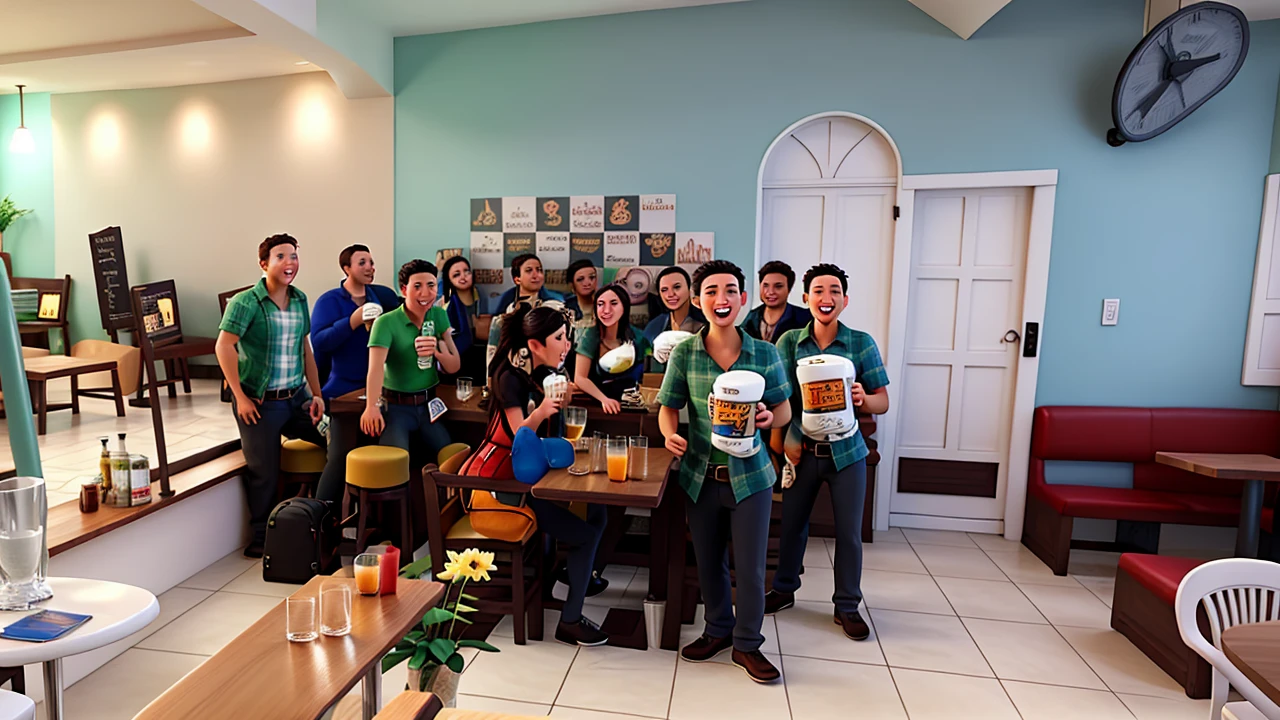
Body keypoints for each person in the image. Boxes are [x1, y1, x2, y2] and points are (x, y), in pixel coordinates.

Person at [658, 259, 792, 683]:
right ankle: (717, 630)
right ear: (699, 300)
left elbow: (785, 407)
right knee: (709, 561)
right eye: (712, 291)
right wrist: (669, 435)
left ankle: (748, 644)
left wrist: (772, 419)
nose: (722, 298)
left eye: (731, 290)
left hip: (751, 477)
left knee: (750, 568)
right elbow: (669, 407)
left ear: (742, 299)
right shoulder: (685, 352)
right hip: (700, 475)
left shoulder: (764, 352)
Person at [463, 305, 611, 647]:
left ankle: (579, 577)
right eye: (559, 338)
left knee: (598, 510)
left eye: (567, 337)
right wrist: (544, 408)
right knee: (586, 534)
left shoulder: (535, 373)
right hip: (501, 486)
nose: (567, 344)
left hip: (526, 478)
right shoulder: (508, 377)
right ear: (535, 345)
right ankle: (570, 620)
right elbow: (520, 440)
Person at [766, 263, 889, 641]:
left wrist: (863, 398)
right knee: (794, 525)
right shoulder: (787, 343)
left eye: (835, 291)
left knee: (848, 532)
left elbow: (882, 401)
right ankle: (785, 589)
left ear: (845, 300)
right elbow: (779, 398)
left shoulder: (861, 342)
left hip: (848, 453)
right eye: (819, 291)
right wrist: (782, 444)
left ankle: (847, 605)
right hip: (802, 449)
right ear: (805, 298)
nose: (827, 298)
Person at [216, 234, 327, 558]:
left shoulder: (299, 299)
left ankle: (320, 517)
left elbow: (305, 349)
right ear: (264, 264)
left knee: (337, 437)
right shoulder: (246, 302)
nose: (290, 262)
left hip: (297, 399)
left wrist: (316, 395)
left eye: (293, 256)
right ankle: (263, 538)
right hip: (260, 403)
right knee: (264, 472)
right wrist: (241, 397)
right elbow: (223, 346)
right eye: (281, 256)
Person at [310, 244, 402, 503]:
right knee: (341, 454)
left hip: (380, 389)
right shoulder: (329, 301)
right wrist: (352, 321)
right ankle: (321, 513)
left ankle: (374, 515)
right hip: (342, 391)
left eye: (372, 262)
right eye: (362, 262)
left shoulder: (383, 298)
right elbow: (320, 342)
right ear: (346, 268)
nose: (370, 267)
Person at [360, 260, 460, 469]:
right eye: (417, 286)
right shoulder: (386, 322)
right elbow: (375, 368)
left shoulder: (438, 314)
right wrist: (371, 406)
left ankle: (444, 502)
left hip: (429, 405)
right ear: (404, 289)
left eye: (431, 285)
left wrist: (436, 352)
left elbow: (454, 366)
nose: (425, 293)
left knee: (452, 460)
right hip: (396, 407)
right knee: (394, 466)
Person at [574, 284, 653, 414]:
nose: (606, 310)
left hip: (632, 406)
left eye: (614, 303)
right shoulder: (589, 336)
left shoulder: (637, 338)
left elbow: (648, 375)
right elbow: (580, 378)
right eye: (600, 304)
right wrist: (604, 399)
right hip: (595, 406)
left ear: (624, 306)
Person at [439, 255, 489, 380]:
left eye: (466, 271)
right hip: (457, 362)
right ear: (449, 279)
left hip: (483, 361)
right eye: (456, 274)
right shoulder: (445, 306)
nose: (463, 277)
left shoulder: (483, 299)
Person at [742, 261, 812, 344]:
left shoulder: (804, 318)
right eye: (766, 286)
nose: (770, 292)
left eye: (778, 286)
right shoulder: (751, 319)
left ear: (789, 289)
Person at [643, 266, 706, 343]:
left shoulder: (706, 323)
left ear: (689, 289)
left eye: (677, 287)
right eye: (664, 290)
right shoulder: (654, 326)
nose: (670, 294)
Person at [492, 254, 563, 315]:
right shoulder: (506, 303)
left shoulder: (555, 302)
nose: (536, 275)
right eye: (529, 270)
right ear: (517, 280)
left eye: (539, 270)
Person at [562, 258, 599, 326]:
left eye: (592, 277)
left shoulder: (605, 306)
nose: (587, 283)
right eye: (580, 279)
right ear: (572, 285)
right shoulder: (565, 309)